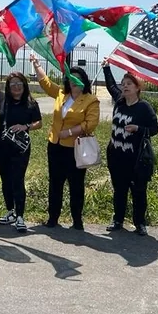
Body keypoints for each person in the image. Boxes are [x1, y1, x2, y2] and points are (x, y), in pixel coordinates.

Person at [30, 53, 100, 230]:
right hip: (55, 146)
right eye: (70, 78)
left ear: (84, 81)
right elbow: (46, 83)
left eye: (77, 78)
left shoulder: (91, 100)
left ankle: (77, 220)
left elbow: (90, 124)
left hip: (75, 148)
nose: (73, 81)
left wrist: (69, 132)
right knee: (55, 183)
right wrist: (37, 64)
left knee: (76, 184)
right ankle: (53, 218)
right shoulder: (62, 94)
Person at [0, 57, 42, 233]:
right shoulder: (3, 99)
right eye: (13, 84)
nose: (16, 86)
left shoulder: (31, 103)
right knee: (5, 179)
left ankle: (20, 216)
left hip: (20, 149)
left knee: (17, 179)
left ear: (24, 85)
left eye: (19, 83)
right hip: (1, 148)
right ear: (8, 86)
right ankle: (10, 211)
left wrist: (25, 126)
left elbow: (39, 123)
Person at [102, 59, 158, 236]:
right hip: (116, 156)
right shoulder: (119, 101)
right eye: (123, 83)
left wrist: (138, 129)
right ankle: (118, 220)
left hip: (135, 159)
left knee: (138, 191)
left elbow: (154, 129)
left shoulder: (144, 107)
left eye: (129, 84)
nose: (125, 86)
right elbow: (111, 85)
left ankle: (140, 223)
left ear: (137, 88)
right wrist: (106, 68)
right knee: (119, 190)